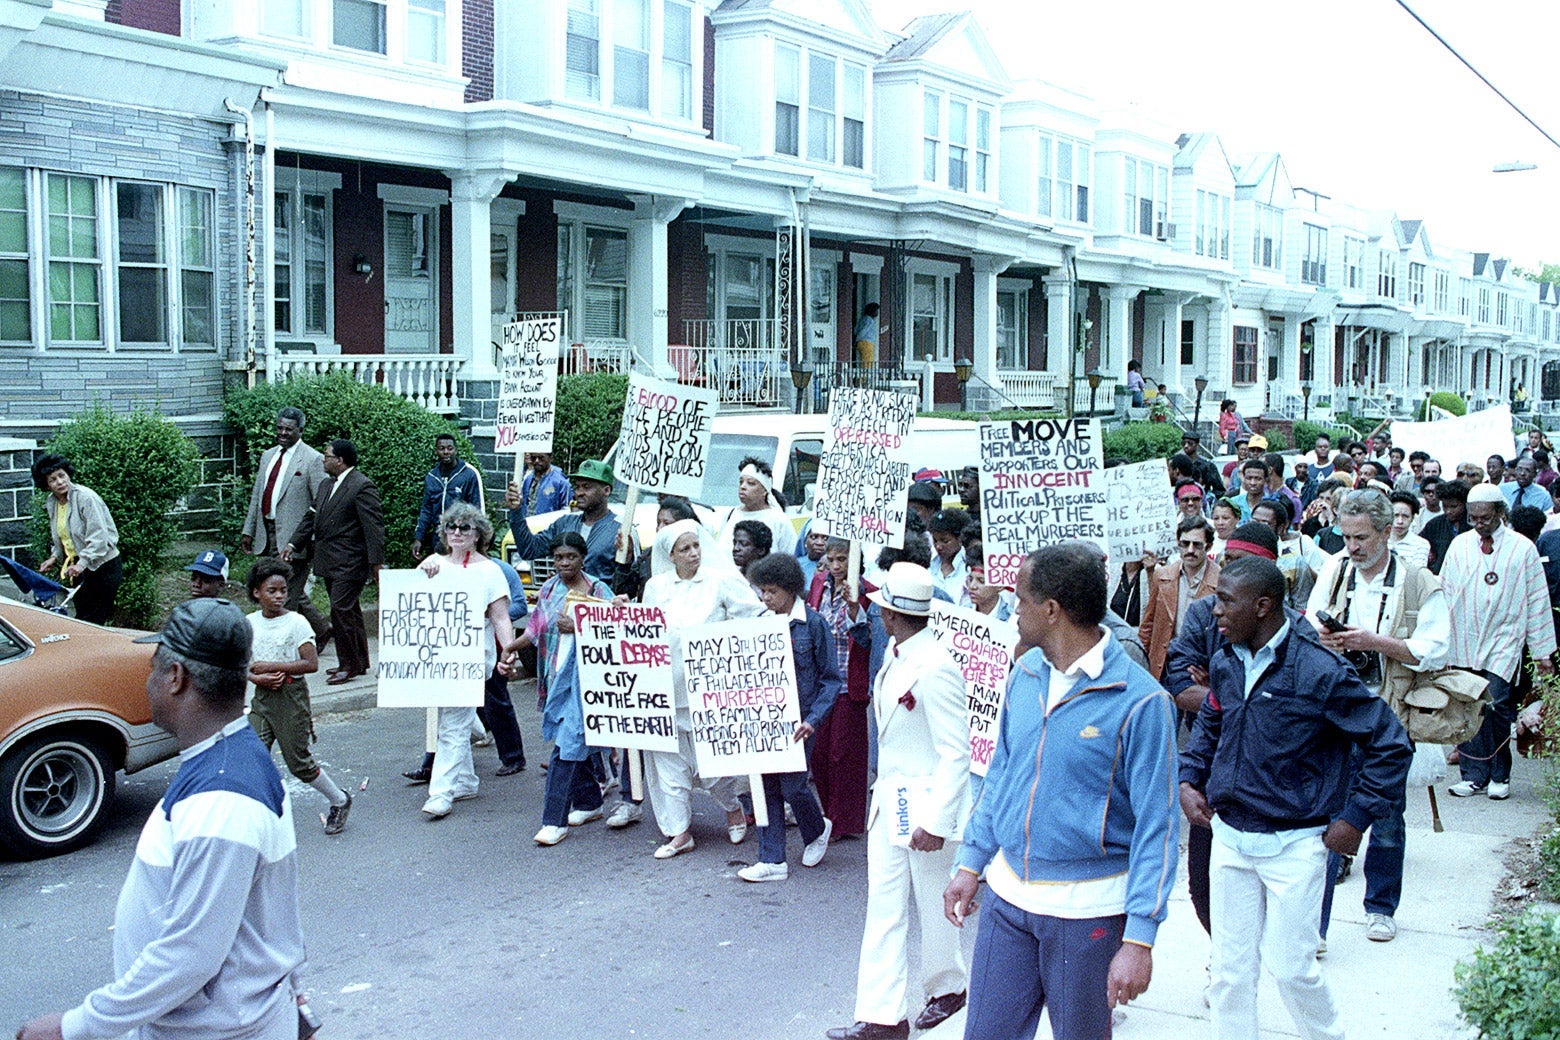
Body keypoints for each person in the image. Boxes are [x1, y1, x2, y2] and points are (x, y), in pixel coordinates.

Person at [17, 598, 307, 1040]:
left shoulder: (221, 799)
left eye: (155, 667)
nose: (148, 679)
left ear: (176, 678)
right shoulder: (229, 759)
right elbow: (266, 912)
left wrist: (74, 1026)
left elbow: (190, 954)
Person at [946, 543, 1178, 1039]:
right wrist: (971, 860)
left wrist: (1140, 937)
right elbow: (1001, 777)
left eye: (1020, 599)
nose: (1013, 610)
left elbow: (1158, 828)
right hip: (1008, 902)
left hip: (1087, 915)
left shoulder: (1142, 703)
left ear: (1051, 610)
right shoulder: (1024, 675)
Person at [1180, 556, 1412, 1040]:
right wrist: (1190, 778)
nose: (1214, 610)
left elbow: (1390, 744)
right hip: (1230, 839)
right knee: (1229, 973)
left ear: (1263, 606)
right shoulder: (1225, 660)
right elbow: (1212, 721)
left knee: (1291, 969)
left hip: (1296, 845)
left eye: (1226, 600)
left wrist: (1356, 817)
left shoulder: (1320, 671)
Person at [826, 564, 970, 1040]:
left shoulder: (937, 666)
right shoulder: (896, 651)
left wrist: (938, 820)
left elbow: (956, 753)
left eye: (878, 603)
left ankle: (948, 987)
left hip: (925, 808)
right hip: (889, 802)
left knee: (934, 904)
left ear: (891, 612)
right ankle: (883, 1016)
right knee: (884, 908)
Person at [1307, 489, 1451, 944]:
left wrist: (1374, 643)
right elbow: (1309, 625)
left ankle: (1381, 907)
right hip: (1336, 711)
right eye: (1346, 536)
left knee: (1386, 813)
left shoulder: (1416, 582)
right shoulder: (1334, 571)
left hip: (1389, 713)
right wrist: (1328, 642)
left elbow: (1433, 650)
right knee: (1329, 814)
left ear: (1389, 531)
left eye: (1363, 537)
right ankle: (1317, 924)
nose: (1353, 546)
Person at [641, 519, 763, 858]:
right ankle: (679, 832)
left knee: (714, 762)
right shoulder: (656, 586)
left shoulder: (720, 582)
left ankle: (732, 808)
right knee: (669, 762)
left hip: (709, 689)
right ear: (671, 555)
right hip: (665, 689)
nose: (694, 553)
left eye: (697, 545)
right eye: (685, 549)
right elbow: (642, 631)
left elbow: (753, 617)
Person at [1442, 483, 1556, 800]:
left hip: (1504, 639)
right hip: (1464, 638)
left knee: (1495, 705)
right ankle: (1473, 774)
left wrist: (1543, 650)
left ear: (1501, 513)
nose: (1479, 524)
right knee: (1466, 706)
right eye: (1474, 518)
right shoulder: (1460, 545)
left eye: (1486, 518)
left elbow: (1537, 600)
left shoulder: (1522, 548)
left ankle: (1499, 775)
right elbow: (1445, 592)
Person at [406, 503, 517, 819]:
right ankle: (466, 781)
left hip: (470, 656)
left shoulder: (489, 571)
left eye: (464, 527)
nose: (457, 532)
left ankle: (440, 794)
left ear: (478, 534)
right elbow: (411, 606)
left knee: (452, 723)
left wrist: (509, 650)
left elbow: (500, 616)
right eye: (451, 527)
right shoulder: (432, 563)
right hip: (436, 657)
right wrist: (425, 578)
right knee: (451, 717)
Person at [503, 531, 613, 844]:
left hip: (585, 682)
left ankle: (554, 821)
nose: (564, 563)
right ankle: (590, 802)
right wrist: (512, 646)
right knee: (569, 740)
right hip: (555, 678)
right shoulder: (550, 587)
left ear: (583, 558)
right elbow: (537, 626)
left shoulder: (598, 589)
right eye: (559, 558)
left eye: (571, 557)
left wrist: (581, 626)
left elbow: (615, 631)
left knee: (566, 745)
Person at [739, 553, 840, 881]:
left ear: (791, 589)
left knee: (793, 786)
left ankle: (815, 828)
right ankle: (772, 860)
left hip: (801, 722)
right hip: (767, 720)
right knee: (766, 785)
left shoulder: (813, 624)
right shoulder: (758, 621)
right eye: (762, 591)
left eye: (772, 592)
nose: (765, 598)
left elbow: (830, 679)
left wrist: (814, 719)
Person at [244, 558, 352, 836]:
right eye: (272, 591)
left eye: (283, 590)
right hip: (262, 696)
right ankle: (257, 817)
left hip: (290, 697)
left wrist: (272, 667)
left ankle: (339, 799)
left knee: (299, 764)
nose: (279, 596)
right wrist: (256, 677)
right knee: (252, 755)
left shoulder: (296, 622)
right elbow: (241, 662)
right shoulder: (249, 623)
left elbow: (311, 664)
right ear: (256, 592)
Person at [282, 439, 385, 685]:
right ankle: (359, 662)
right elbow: (311, 517)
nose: (322, 459)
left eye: (327, 456)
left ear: (340, 460)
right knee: (349, 610)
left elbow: (373, 528)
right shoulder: (327, 485)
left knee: (340, 609)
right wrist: (293, 543)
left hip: (351, 562)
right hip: (330, 560)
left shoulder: (361, 486)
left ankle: (347, 665)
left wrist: (377, 563)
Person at [240, 407, 330, 644]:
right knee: (289, 588)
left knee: (286, 593)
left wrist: (306, 540)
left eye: (288, 430)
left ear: (300, 430)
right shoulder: (268, 455)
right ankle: (322, 629)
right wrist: (248, 530)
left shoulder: (312, 459)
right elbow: (258, 494)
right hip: (267, 531)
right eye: (279, 428)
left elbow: (319, 503)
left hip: (294, 538)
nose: (282, 433)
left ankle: (288, 644)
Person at [809, 537, 874, 840]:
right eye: (831, 559)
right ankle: (826, 813)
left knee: (843, 754)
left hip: (851, 682)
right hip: (822, 684)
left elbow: (867, 638)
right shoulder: (819, 585)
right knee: (819, 753)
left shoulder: (868, 592)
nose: (836, 566)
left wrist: (853, 606)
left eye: (842, 560)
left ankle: (842, 821)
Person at [33, 453, 122, 625]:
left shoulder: (85, 497)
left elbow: (99, 537)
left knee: (91, 622)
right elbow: (63, 536)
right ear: (46, 484)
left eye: (62, 475)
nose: (60, 482)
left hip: (102, 567)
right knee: (83, 618)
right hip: (79, 568)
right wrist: (54, 558)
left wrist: (83, 563)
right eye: (53, 479)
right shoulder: (52, 502)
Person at [508, 458, 622, 583]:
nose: (579, 493)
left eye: (586, 487)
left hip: (601, 601)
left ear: (606, 490)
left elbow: (629, 582)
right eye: (577, 487)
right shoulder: (565, 523)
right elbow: (529, 550)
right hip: (564, 601)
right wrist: (516, 511)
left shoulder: (620, 529)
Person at [1139, 514, 1220, 680]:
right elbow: (1148, 624)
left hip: (1199, 667)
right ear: (1178, 543)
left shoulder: (1221, 580)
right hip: (1164, 662)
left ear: (1209, 546)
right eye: (1185, 544)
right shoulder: (1163, 575)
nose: (1190, 550)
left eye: (1197, 545)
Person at [412, 432, 485, 559]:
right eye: (442, 449)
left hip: (461, 536)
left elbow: (477, 510)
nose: (446, 452)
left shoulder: (469, 474)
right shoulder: (432, 477)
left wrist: (478, 540)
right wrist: (419, 537)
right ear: (436, 451)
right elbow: (426, 510)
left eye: (450, 448)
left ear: (455, 450)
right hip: (438, 538)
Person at [716, 456, 797, 560]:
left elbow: (791, 559)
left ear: (764, 491)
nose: (743, 487)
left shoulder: (779, 520)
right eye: (741, 482)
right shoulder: (730, 514)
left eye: (751, 483)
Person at [1253, 498, 1318, 611]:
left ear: (1281, 528)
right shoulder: (1239, 554)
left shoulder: (1294, 561)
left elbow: (1302, 606)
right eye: (1254, 522)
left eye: (1265, 524)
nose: (1257, 528)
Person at [1422, 479, 1470, 574]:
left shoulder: (1472, 524)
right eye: (1445, 506)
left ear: (1464, 504)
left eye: (1454, 507)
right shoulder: (1434, 524)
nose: (1448, 511)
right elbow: (1421, 542)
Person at [964, 540, 1017, 622]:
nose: (972, 586)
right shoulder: (962, 613)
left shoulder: (1012, 621)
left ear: (1000, 586)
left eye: (981, 581)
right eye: (970, 579)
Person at [926, 509, 969, 603]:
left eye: (945, 541)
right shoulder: (927, 563)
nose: (938, 546)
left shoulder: (968, 566)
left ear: (960, 538)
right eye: (935, 540)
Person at [519, 451, 573, 516]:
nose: (536, 461)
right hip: (527, 523)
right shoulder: (528, 479)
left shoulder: (561, 482)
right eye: (533, 458)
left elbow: (567, 512)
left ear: (550, 458)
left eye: (541, 458)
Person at [1387, 492, 1431, 570]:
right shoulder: (1377, 540)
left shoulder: (1421, 544)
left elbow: (1416, 575)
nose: (1400, 521)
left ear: (1412, 518)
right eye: (1395, 515)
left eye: (1405, 516)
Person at [854, 302, 881, 369]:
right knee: (867, 363)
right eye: (876, 310)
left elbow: (855, 330)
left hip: (861, 343)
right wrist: (857, 339)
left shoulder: (863, 319)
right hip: (867, 343)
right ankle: (864, 378)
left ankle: (863, 377)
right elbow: (863, 331)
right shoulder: (869, 320)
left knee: (864, 362)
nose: (877, 313)